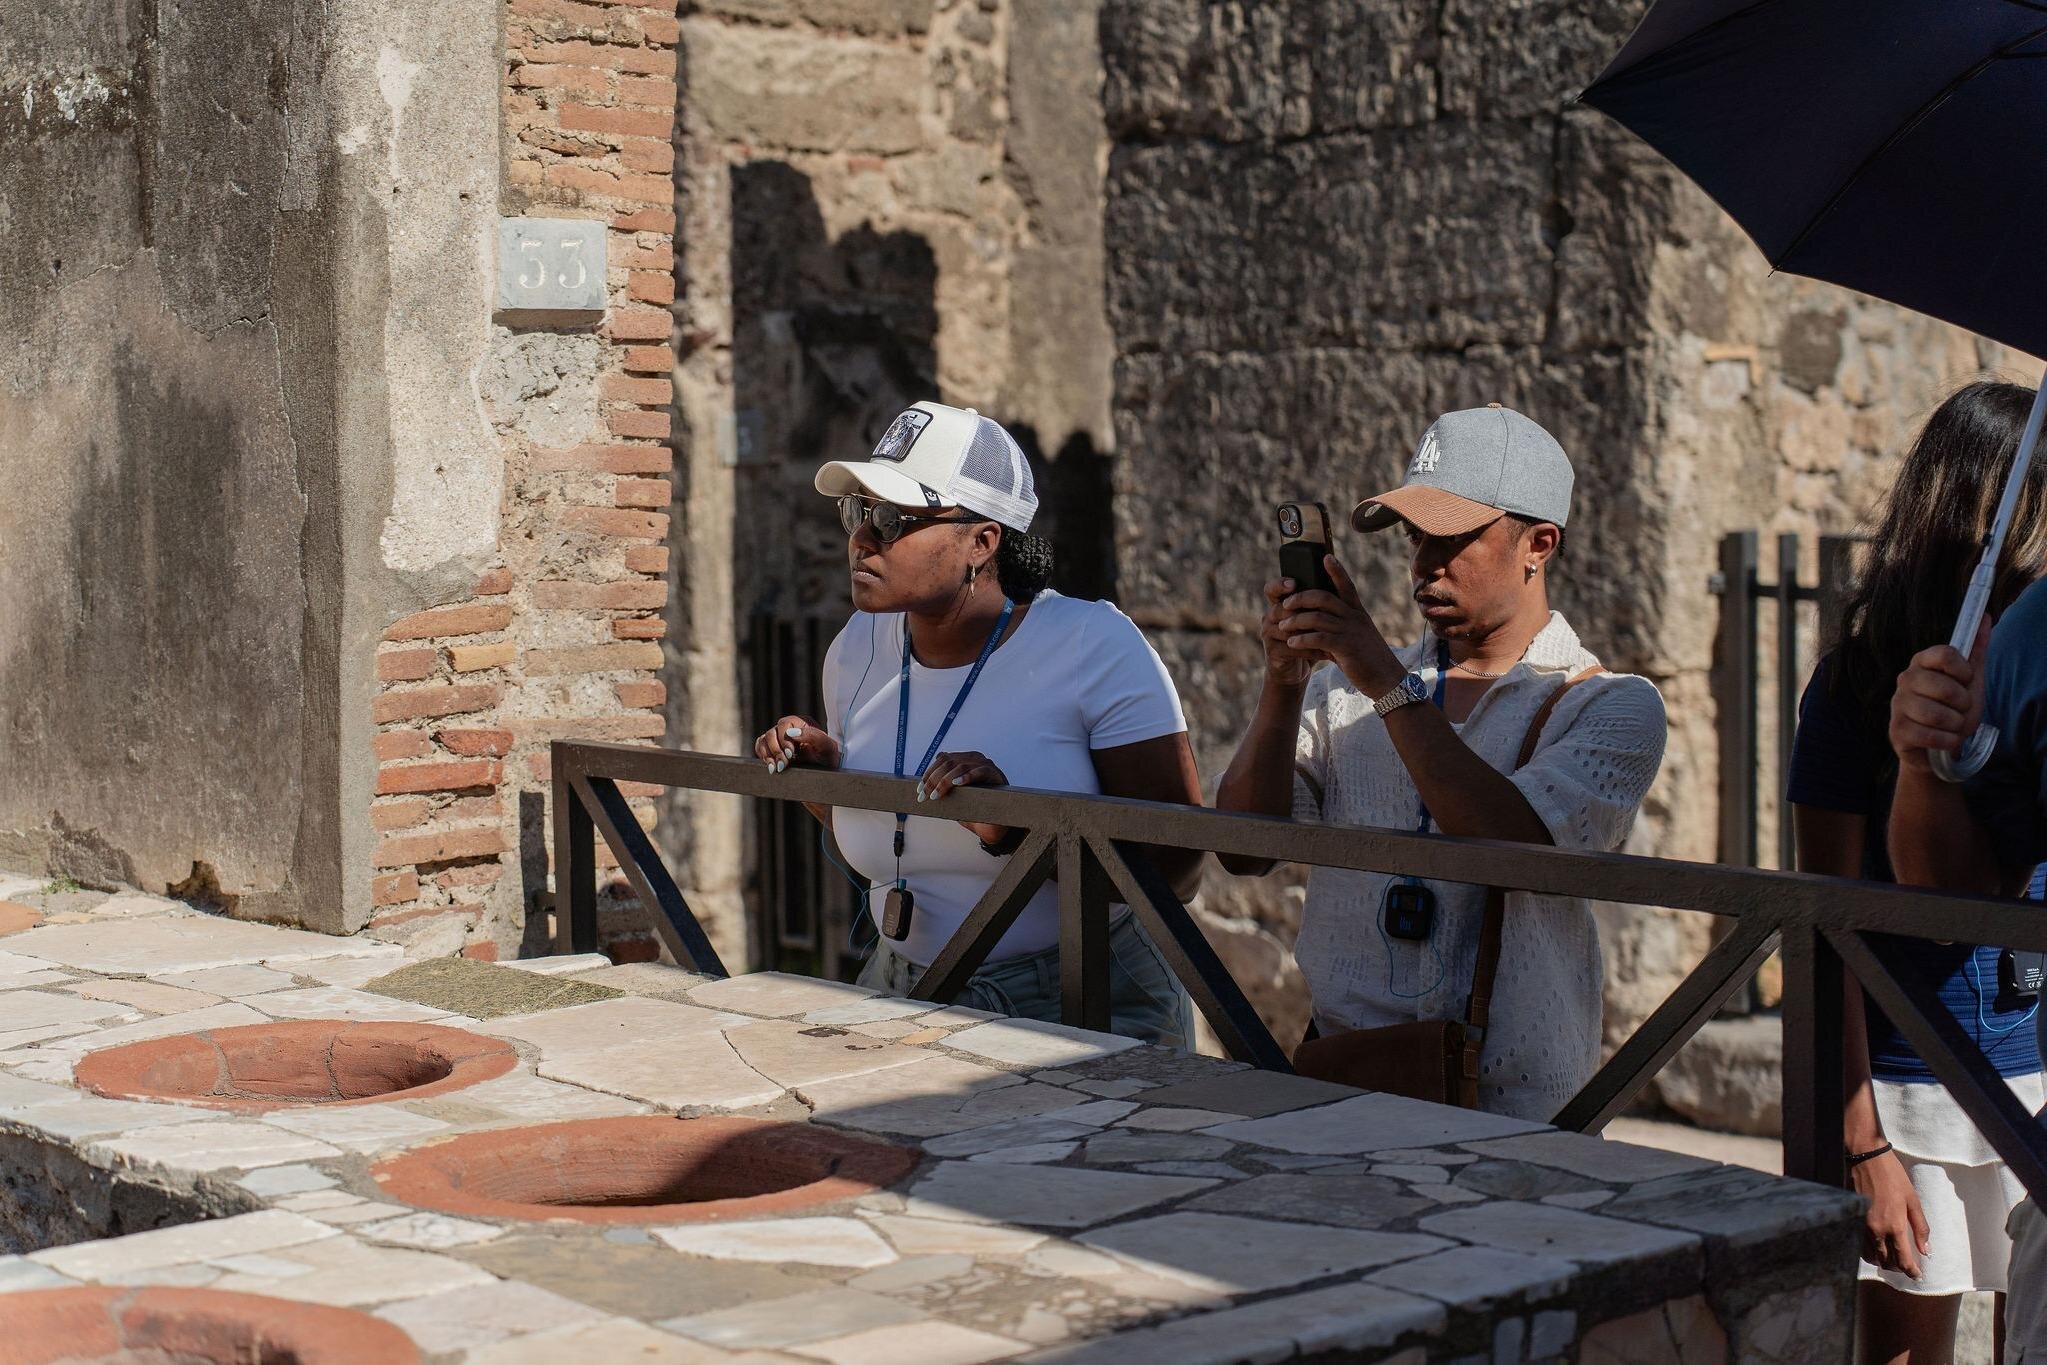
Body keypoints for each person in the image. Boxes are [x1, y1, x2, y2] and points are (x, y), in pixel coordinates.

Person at [1215, 404, 1668, 1119]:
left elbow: (1507, 843)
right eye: (1415, 537)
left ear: (1538, 544)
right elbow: (1243, 848)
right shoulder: (1343, 689)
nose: (1425, 563)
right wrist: (1283, 681)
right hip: (1344, 1071)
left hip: (1520, 1099)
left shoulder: (1610, 704)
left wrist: (1384, 682)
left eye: (1453, 538)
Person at [753, 400, 1204, 1047]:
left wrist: (1014, 829)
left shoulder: (1092, 644)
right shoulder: (856, 647)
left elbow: (1178, 873)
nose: (862, 538)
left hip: (1079, 998)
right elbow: (903, 839)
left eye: (891, 518)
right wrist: (828, 782)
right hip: (901, 986)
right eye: (856, 512)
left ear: (981, 541)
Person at [1789, 381, 2047, 1365]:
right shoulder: (1857, 684)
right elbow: (1823, 924)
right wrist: (1862, 1140)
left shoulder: (2034, 668)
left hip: (2033, 1076)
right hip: (1909, 1088)